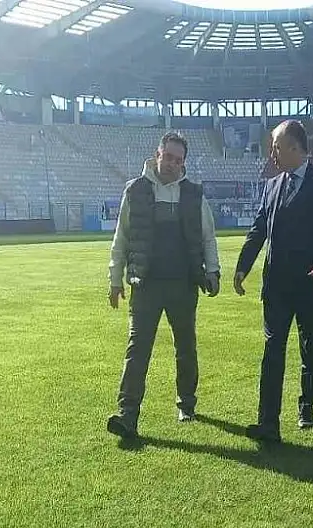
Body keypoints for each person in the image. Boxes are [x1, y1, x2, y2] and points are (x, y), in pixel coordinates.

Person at [235, 120, 313, 443]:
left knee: (311, 350)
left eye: (277, 147)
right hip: (277, 287)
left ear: (296, 148)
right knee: (272, 350)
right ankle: (268, 422)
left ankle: (307, 403)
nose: (272, 153)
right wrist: (243, 266)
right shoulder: (271, 185)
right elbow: (259, 229)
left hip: (312, 284)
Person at [106, 132, 221, 439]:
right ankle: (127, 415)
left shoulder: (194, 194)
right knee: (137, 349)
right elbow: (122, 238)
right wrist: (115, 279)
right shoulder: (135, 190)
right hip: (145, 285)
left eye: (178, 159)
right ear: (157, 155)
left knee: (185, 347)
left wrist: (213, 271)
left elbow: (208, 236)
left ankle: (186, 402)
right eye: (167, 157)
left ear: (184, 162)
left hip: (184, 284)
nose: (172, 163)